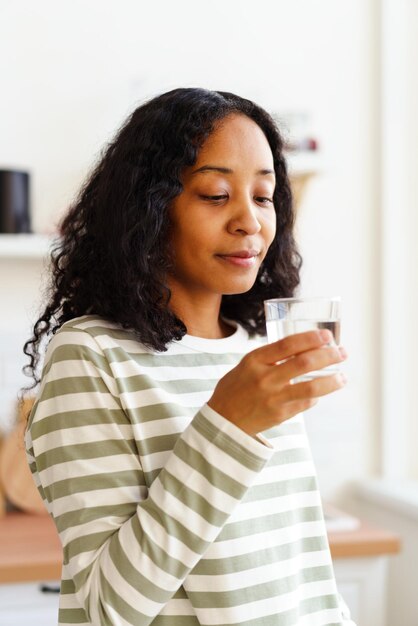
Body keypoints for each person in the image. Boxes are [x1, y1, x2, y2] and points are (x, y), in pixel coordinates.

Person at [23, 87, 355, 626]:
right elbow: (106, 607)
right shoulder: (90, 356)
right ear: (150, 207)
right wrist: (227, 424)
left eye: (264, 196)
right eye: (216, 194)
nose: (250, 221)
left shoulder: (255, 346)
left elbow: (298, 566)